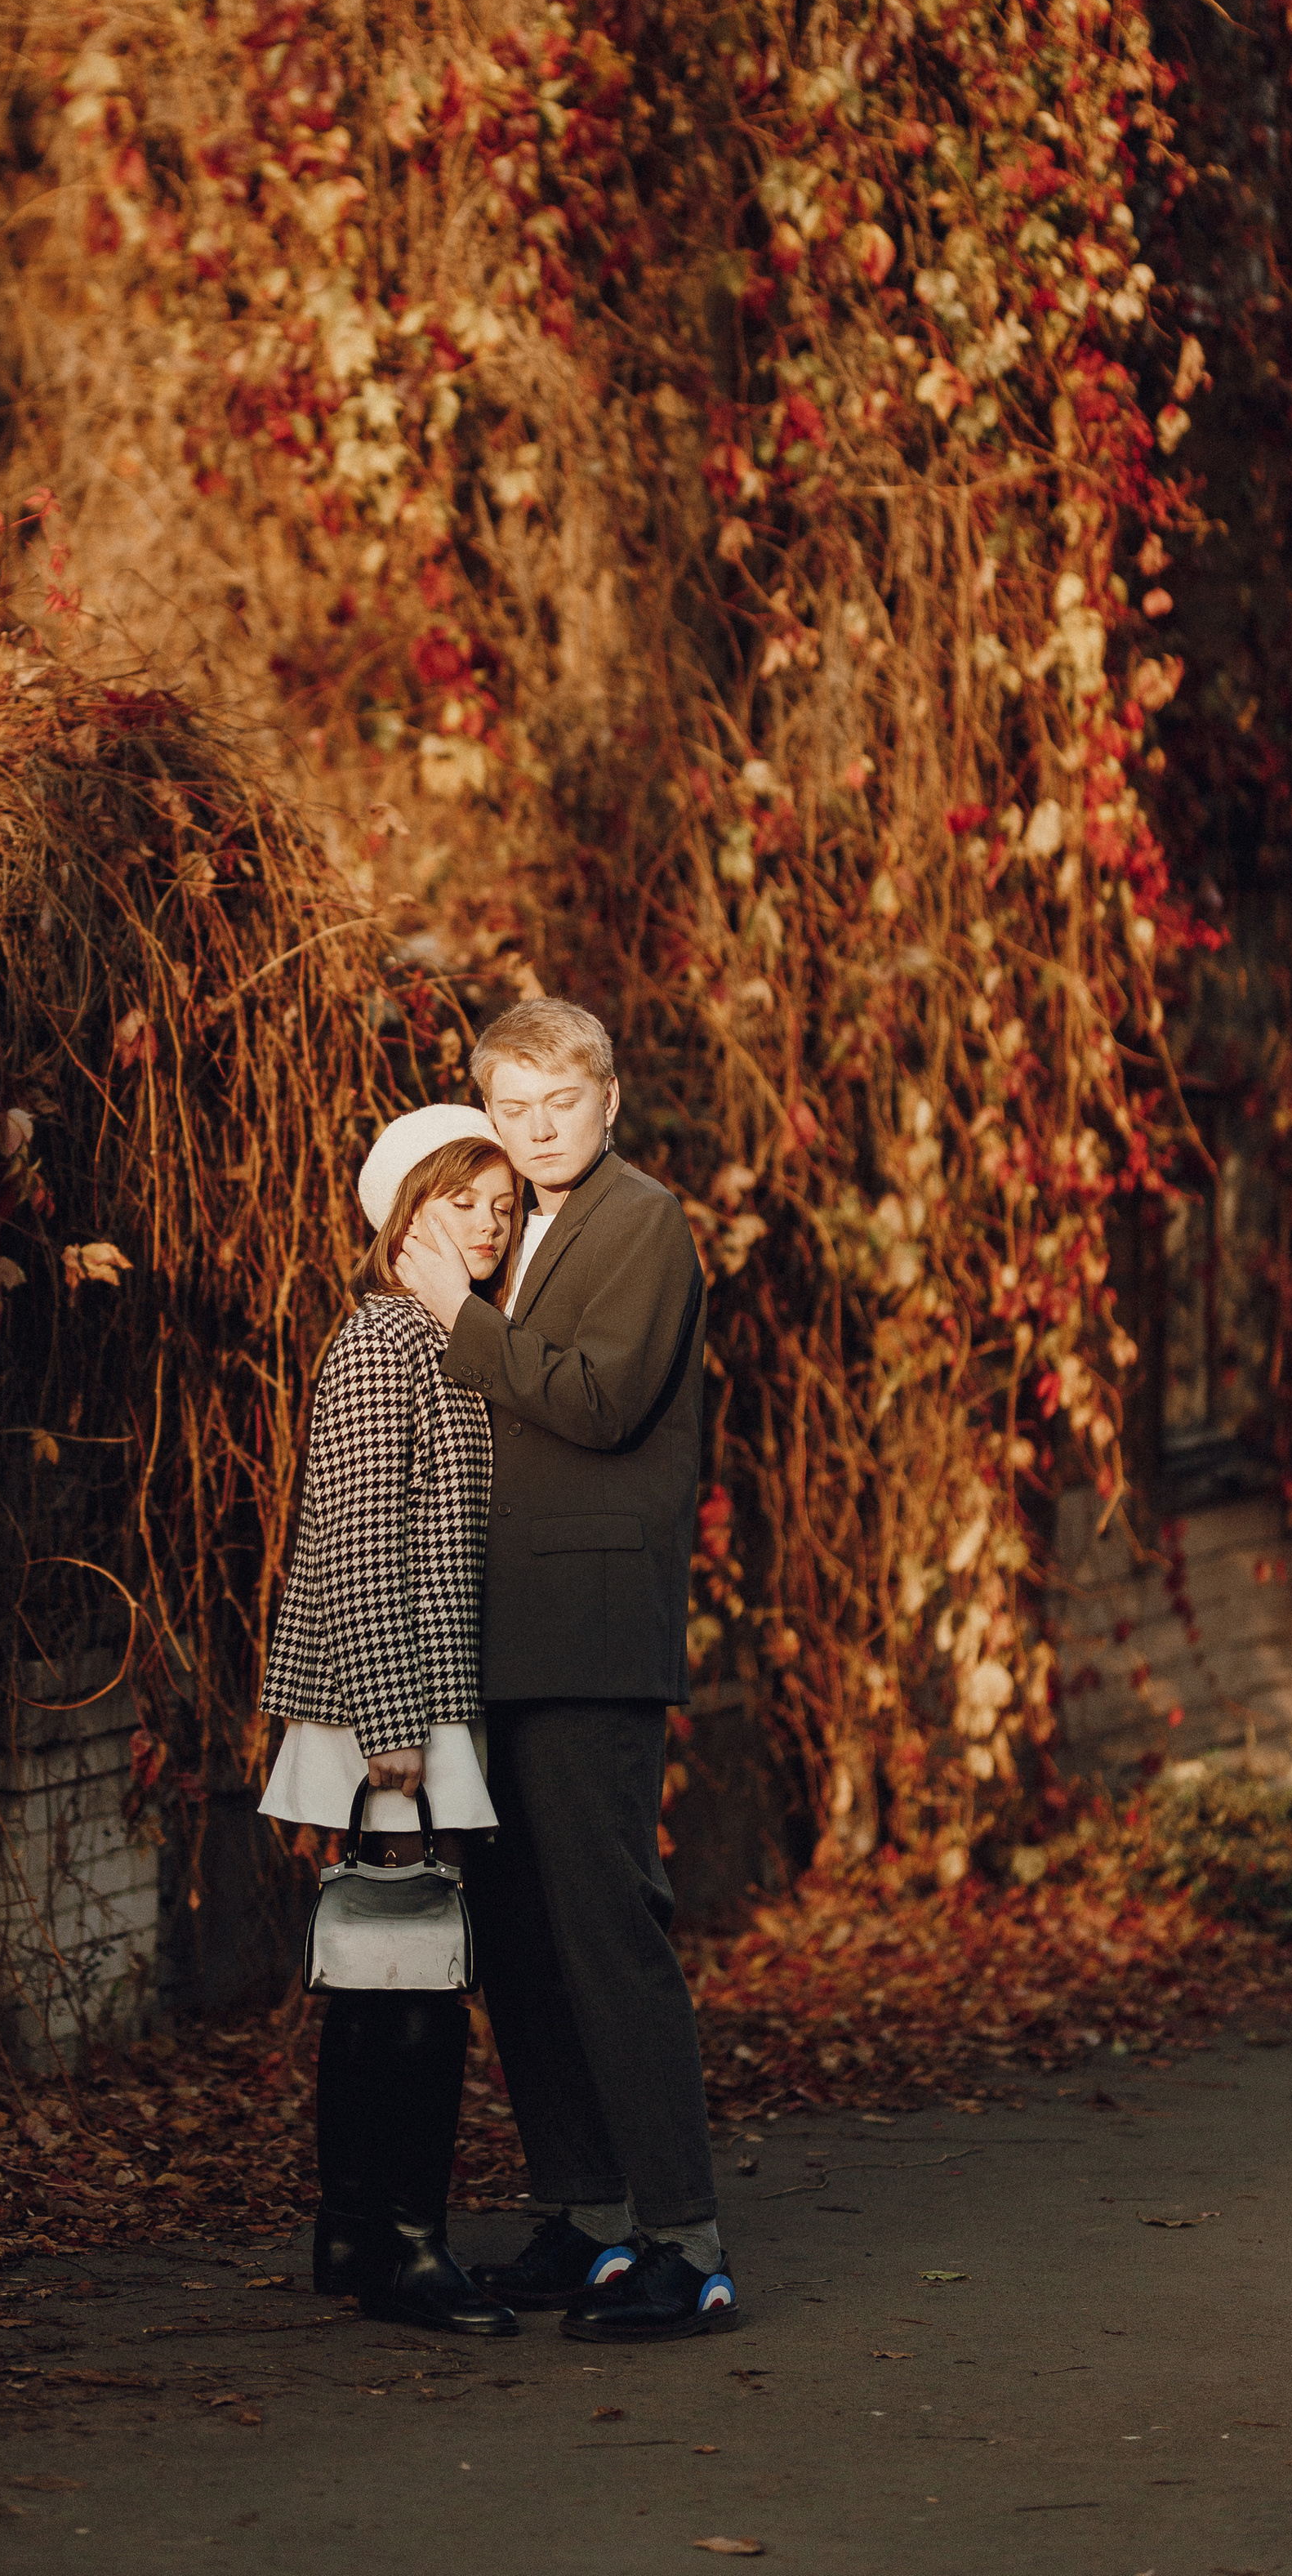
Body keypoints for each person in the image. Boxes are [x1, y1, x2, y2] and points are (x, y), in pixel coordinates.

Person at [395, 998, 735, 2344]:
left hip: (593, 1628)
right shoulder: (509, 1233)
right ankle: (592, 2218)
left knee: (606, 1930)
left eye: (562, 1108)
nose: (538, 1134)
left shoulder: (641, 1221)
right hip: (501, 1633)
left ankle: (685, 2244)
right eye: (515, 1110)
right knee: (522, 1941)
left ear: (609, 1103)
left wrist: (454, 1319)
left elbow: (597, 1401)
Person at [258, 1105, 523, 2340]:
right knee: (412, 1966)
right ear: (404, 1215)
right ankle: (407, 2247)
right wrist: (391, 1727)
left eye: (502, 1204)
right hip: (397, 1699)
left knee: (380, 1971)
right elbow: (359, 1543)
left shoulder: (458, 1340)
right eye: (461, 1200)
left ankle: (357, 2230)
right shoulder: (381, 1348)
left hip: (423, 1694)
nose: (486, 1221)